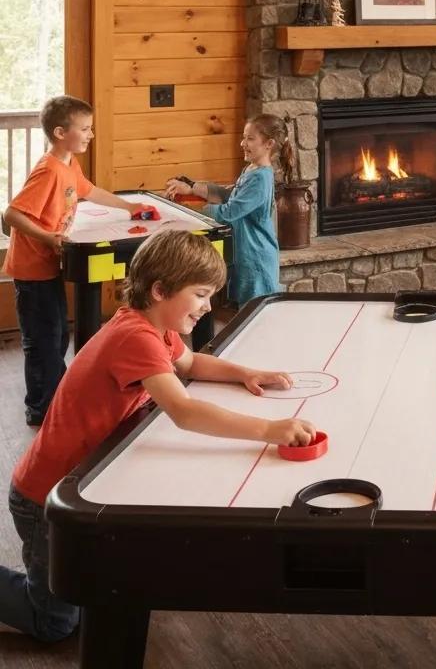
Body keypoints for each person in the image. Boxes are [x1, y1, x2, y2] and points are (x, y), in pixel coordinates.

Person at [0, 230, 315, 643]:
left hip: (79, 481)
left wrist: (246, 373)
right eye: (200, 295)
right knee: (55, 623)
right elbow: (184, 411)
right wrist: (268, 430)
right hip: (46, 498)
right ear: (160, 290)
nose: (208, 306)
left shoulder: (153, 325)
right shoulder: (135, 337)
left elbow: (191, 364)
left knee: (98, 587)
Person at [2, 95, 146, 426]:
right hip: (32, 270)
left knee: (57, 336)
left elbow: (88, 190)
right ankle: (41, 410)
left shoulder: (69, 164)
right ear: (60, 132)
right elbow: (12, 214)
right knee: (43, 340)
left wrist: (129, 207)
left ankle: (56, 399)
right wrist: (48, 237)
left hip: (47, 266)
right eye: (85, 129)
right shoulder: (49, 170)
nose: (90, 134)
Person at [164, 114, 294, 306]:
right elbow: (228, 195)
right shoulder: (251, 170)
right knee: (246, 311)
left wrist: (190, 211)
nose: (243, 143)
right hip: (246, 254)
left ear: (269, 144)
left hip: (256, 258)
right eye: (244, 137)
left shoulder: (260, 179)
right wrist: (191, 188)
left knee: (253, 313)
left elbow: (229, 212)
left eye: (250, 139)